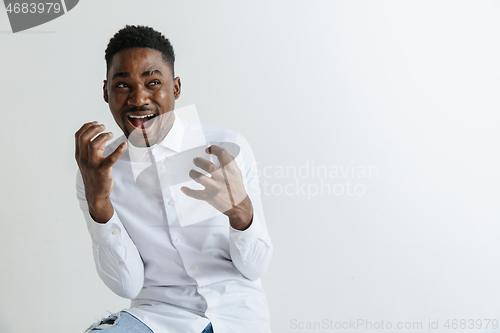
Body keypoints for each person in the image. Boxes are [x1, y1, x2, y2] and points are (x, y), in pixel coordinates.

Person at [74, 25, 273, 333]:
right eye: (123, 86)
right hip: (156, 317)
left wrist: (241, 212)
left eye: (153, 82)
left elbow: (255, 267)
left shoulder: (226, 149)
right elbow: (127, 285)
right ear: (106, 92)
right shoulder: (98, 171)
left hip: (234, 315)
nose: (139, 99)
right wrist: (98, 204)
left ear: (176, 87)